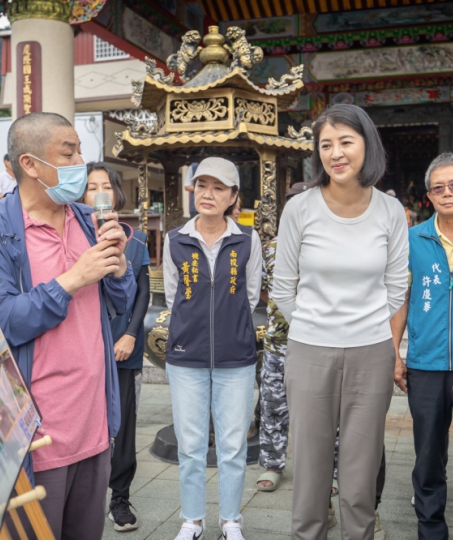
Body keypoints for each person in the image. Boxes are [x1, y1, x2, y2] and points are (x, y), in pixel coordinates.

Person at [0, 112, 135, 540]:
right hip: (36, 437)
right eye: (68, 153)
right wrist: (72, 279)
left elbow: (118, 303)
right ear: (30, 164)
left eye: (79, 151)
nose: (81, 163)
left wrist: (118, 269)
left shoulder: (86, 219)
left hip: (94, 424)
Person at [272, 104, 409, 540]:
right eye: (326, 144)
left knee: (360, 473)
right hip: (309, 351)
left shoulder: (390, 210)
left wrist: (365, 325)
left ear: (367, 145)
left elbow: (396, 285)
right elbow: (282, 288)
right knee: (309, 472)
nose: (336, 153)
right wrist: (314, 324)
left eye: (346, 142)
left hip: (372, 353)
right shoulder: (300, 209)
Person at [162, 157, 262, 540]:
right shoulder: (175, 240)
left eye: (219, 188)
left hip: (236, 358)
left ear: (233, 196)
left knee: (233, 445)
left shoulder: (247, 240)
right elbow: (173, 298)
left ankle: (231, 520)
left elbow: (250, 297)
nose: (208, 194)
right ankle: (192, 520)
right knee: (190, 446)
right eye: (202, 185)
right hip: (185, 357)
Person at [391, 153, 453, 540]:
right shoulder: (412, 240)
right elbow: (400, 297)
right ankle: (430, 529)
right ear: (428, 196)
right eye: (438, 188)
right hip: (425, 364)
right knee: (428, 455)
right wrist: (395, 354)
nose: (447, 193)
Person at [257, 182, 346, 531]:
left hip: (323, 342)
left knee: (329, 413)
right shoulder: (271, 248)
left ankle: (332, 471)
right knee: (273, 406)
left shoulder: (332, 244)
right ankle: (272, 464)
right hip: (280, 342)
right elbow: (263, 289)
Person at [82, 162, 150, 532]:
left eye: (105, 186)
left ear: (116, 193)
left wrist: (131, 335)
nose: (99, 193)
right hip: (83, 348)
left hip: (122, 346)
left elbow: (143, 293)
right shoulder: (73, 237)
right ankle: (82, 495)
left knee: (122, 425)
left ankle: (120, 497)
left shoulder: (134, 240)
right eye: (91, 187)